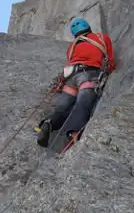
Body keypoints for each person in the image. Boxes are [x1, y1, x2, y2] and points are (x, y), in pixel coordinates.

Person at [35, 18, 116, 147]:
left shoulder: (72, 47)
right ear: (88, 27)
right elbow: (110, 60)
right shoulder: (101, 38)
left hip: (70, 77)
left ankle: (49, 123)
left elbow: (71, 61)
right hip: (88, 74)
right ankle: (73, 133)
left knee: (63, 108)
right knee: (82, 104)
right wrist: (109, 70)